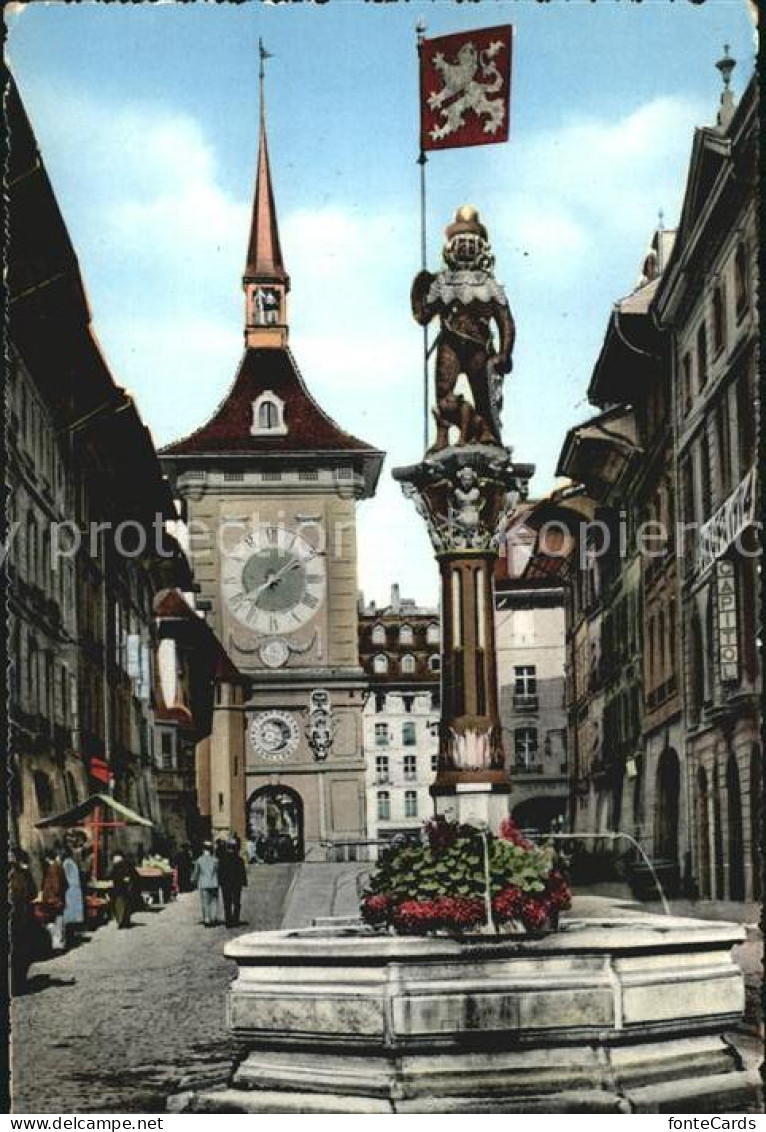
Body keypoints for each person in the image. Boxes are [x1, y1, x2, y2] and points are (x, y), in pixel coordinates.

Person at [9, 849, 38, 994]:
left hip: (19, 919)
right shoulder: (21, 875)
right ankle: (18, 985)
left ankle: (17, 985)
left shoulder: (20, 875)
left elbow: (31, 893)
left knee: (19, 954)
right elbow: (32, 893)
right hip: (20, 919)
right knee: (20, 954)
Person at [41, 847, 68, 952]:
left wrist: (53, 895)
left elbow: (56, 885)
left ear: (48, 858)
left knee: (52, 921)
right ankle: (60, 943)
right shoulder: (59, 867)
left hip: (53, 899)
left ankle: (57, 944)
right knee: (59, 921)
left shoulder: (52, 868)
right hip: (59, 899)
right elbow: (65, 884)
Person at [218, 840, 247, 927]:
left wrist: (220, 882)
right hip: (236, 884)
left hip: (226, 884)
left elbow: (220, 872)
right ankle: (236, 920)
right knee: (236, 903)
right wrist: (244, 882)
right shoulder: (239, 860)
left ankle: (228, 921)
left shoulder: (222, 859)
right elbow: (242, 872)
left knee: (227, 903)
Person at [191, 842, 219, 927]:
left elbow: (196, 872)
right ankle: (214, 918)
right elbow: (218, 871)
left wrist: (193, 879)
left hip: (204, 884)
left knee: (205, 902)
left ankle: (207, 919)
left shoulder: (199, 860)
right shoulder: (215, 860)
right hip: (214, 883)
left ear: (203, 849)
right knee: (214, 901)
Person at [61, 846, 84, 948]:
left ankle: (69, 940)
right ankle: (71, 938)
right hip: (74, 892)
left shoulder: (67, 864)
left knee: (68, 918)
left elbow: (64, 878)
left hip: (69, 892)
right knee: (71, 919)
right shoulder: (73, 863)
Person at [110, 851, 139, 929]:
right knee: (124, 905)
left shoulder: (121, 865)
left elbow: (113, 875)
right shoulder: (124, 865)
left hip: (121, 888)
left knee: (121, 904)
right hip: (123, 888)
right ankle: (123, 921)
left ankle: (122, 921)